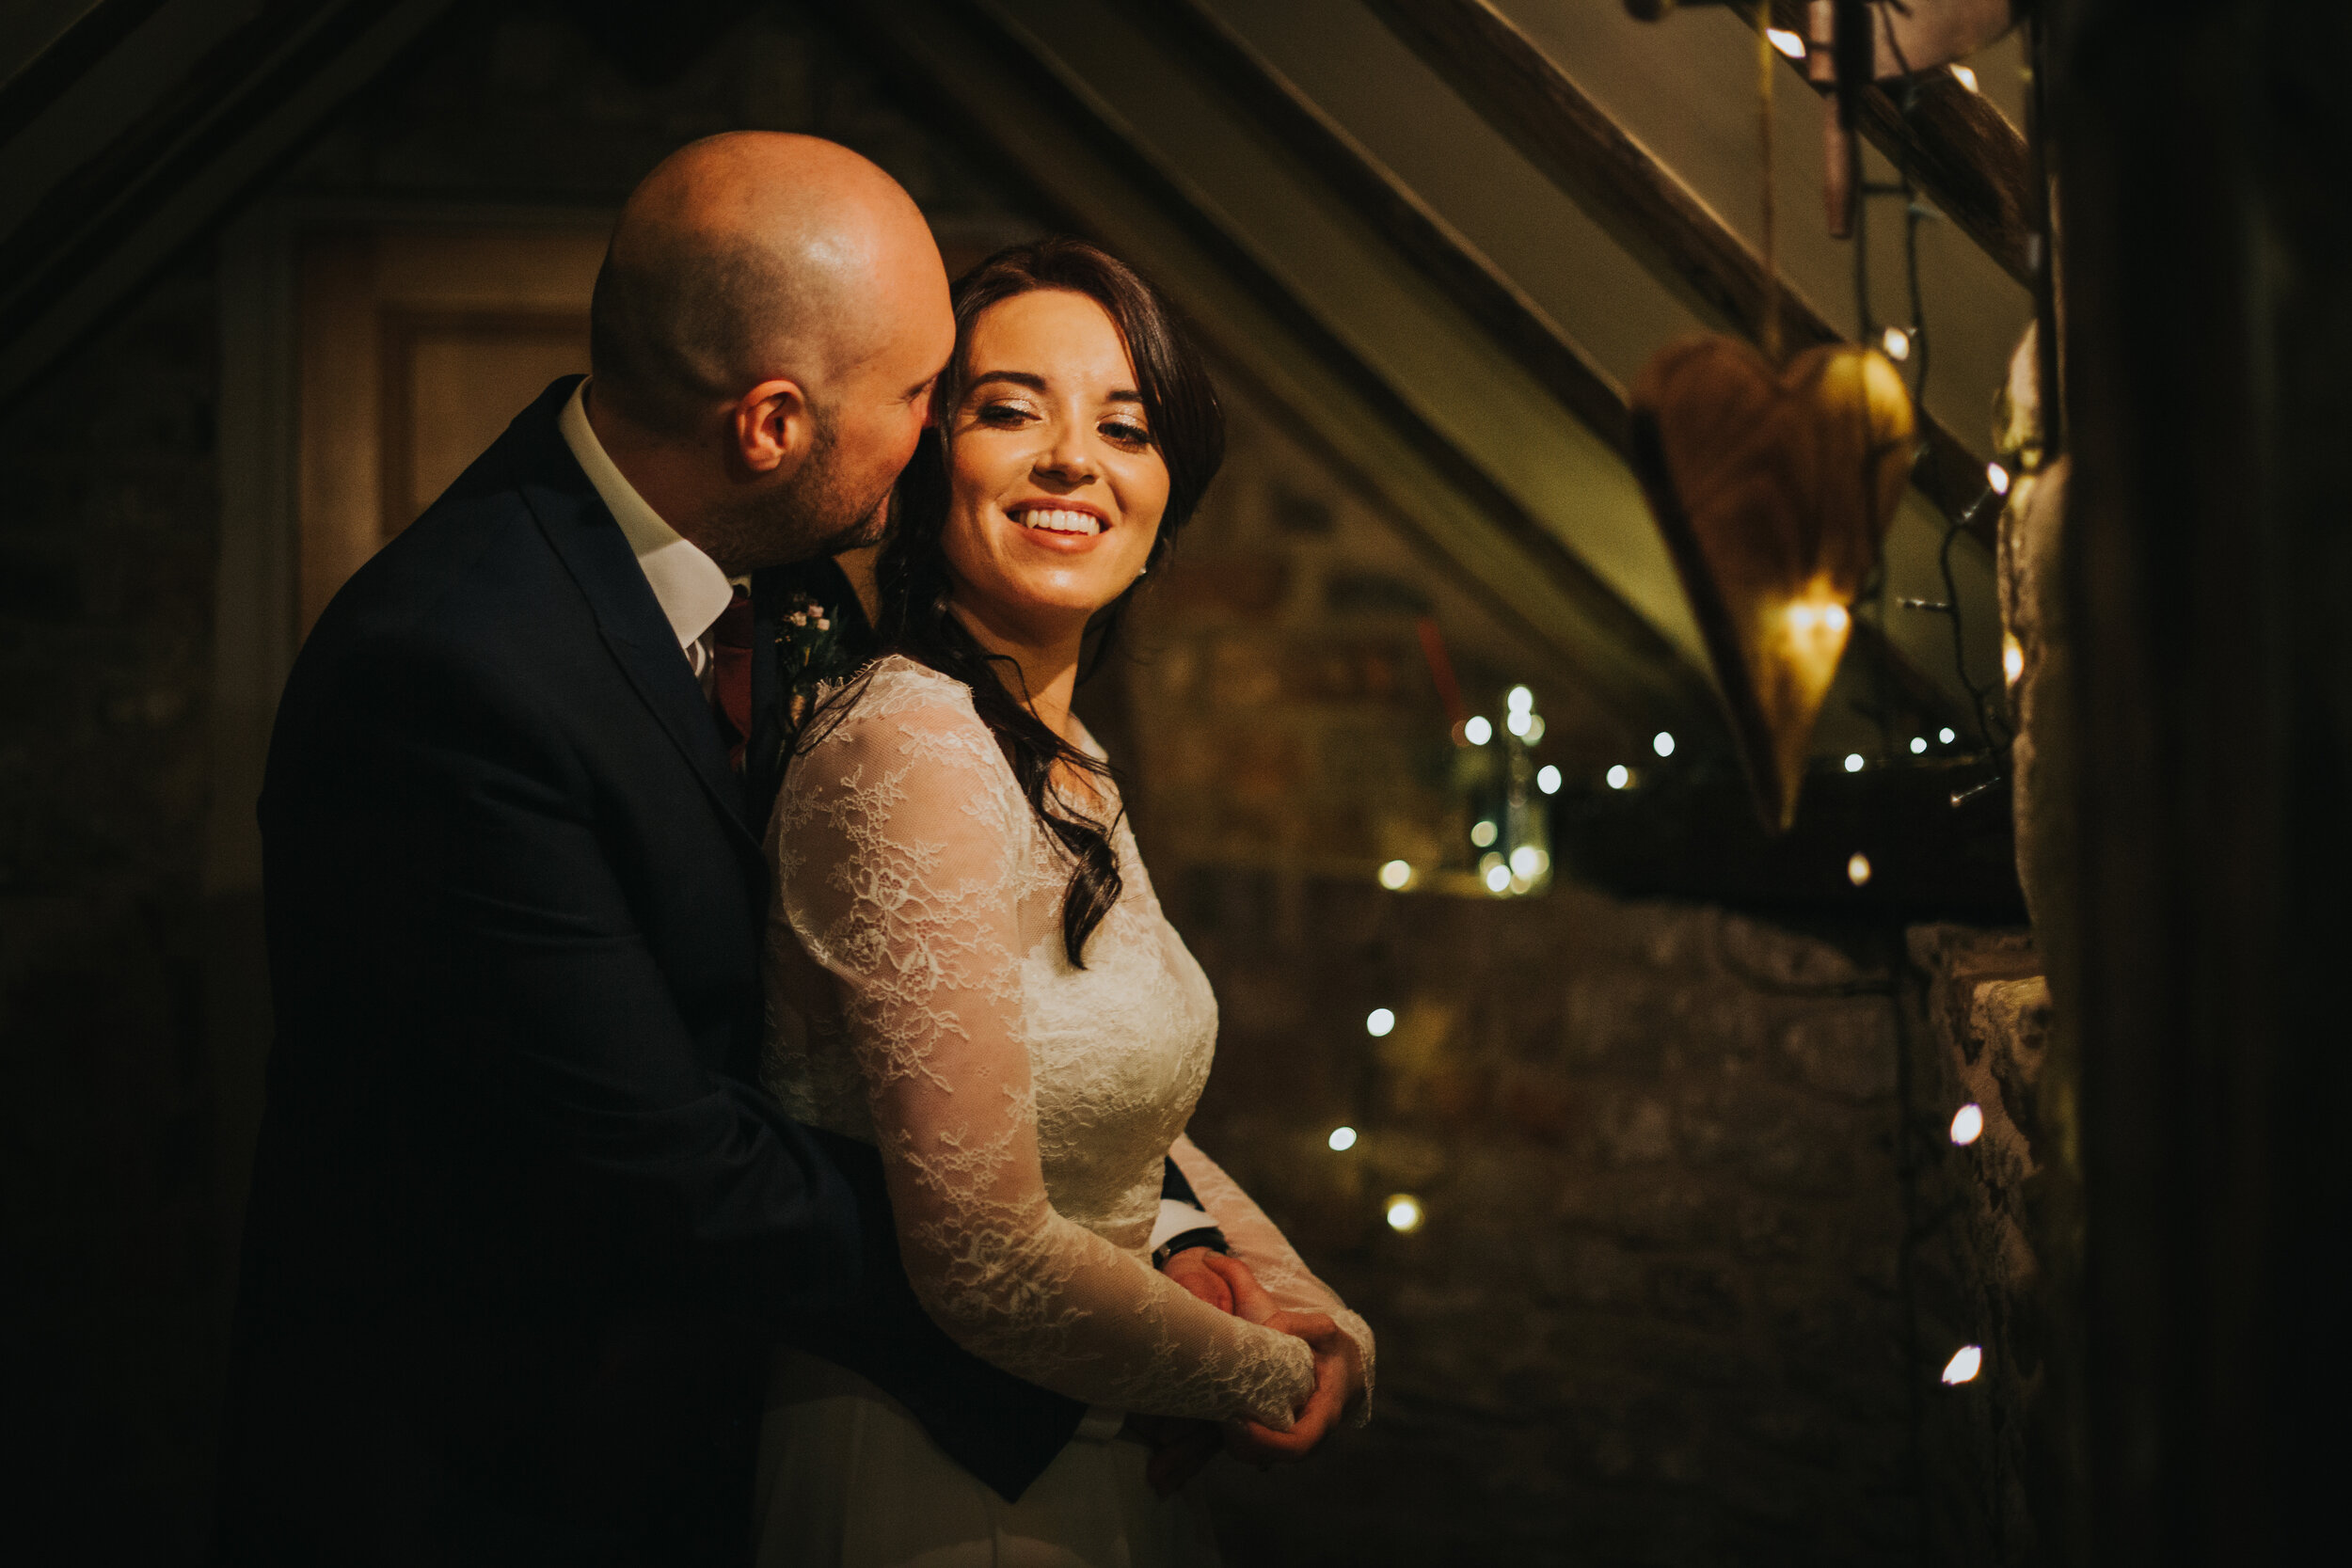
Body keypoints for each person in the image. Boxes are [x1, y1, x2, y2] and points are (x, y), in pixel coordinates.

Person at [215, 135, 1250, 1566]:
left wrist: (1157, 1228)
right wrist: (1077, 1341)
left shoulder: (791, 590)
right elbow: (669, 1158)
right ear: (771, 423)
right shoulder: (450, 670)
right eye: (920, 398)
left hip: (722, 1427)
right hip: (498, 1476)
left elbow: (964, 1022)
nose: (938, 433)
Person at [754, 239, 1375, 1567]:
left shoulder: (1061, 749)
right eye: (1011, 409)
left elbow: (1123, 1127)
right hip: (940, 1481)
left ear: (1167, 491)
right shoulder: (912, 743)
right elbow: (981, 1256)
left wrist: (1320, 1316)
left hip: (1082, 1463)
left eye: (1125, 425)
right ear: (929, 460)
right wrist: (1265, 1374)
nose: (1072, 460)